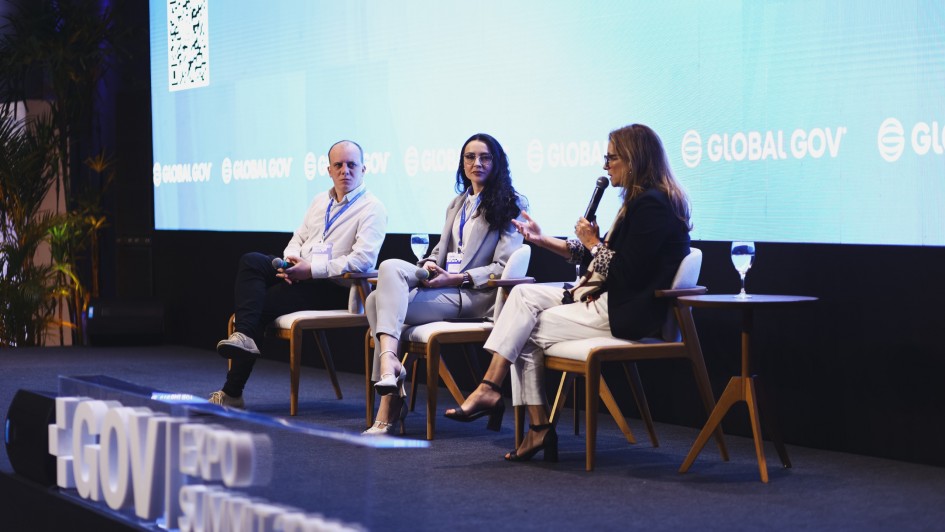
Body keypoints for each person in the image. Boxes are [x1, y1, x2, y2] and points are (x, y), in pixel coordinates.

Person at [444, 124, 692, 462]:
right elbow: (602, 258)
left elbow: (623, 272)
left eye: (612, 158)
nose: (606, 166)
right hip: (604, 295)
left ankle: (522, 416)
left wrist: (592, 242)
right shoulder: (641, 201)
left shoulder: (653, 205)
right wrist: (541, 239)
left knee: (522, 331)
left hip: (626, 309)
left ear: (634, 160)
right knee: (521, 298)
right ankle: (500, 398)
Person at [363, 133, 525, 435]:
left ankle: (389, 399)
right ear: (462, 163)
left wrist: (459, 277)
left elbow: (503, 268)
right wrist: (428, 266)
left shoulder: (511, 204)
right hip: (444, 284)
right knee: (388, 270)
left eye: (485, 157)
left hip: (474, 295)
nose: (476, 163)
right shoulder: (457, 203)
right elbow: (442, 249)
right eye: (470, 157)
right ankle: (390, 368)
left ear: (497, 162)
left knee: (375, 303)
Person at [210, 140, 388, 407]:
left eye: (351, 165)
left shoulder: (373, 208)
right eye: (338, 165)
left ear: (364, 169)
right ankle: (245, 337)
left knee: (261, 306)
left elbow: (362, 261)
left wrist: (312, 270)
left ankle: (232, 392)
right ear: (329, 170)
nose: (345, 171)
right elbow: (299, 237)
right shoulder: (320, 200)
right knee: (252, 261)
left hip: (334, 288)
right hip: (302, 273)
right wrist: (290, 260)